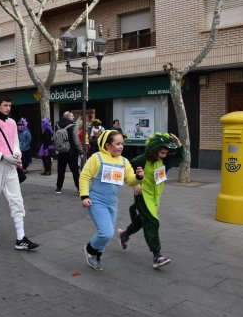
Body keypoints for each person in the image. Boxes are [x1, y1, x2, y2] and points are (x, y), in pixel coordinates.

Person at [0, 94, 39, 250]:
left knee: (17, 200)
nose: (7, 108)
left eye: (9, 106)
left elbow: (15, 143)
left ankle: (21, 237)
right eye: (5, 105)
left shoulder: (13, 123)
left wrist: (16, 154)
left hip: (10, 166)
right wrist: (2, 156)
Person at [79, 130, 144, 271]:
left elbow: (130, 180)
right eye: (118, 144)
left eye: (122, 144)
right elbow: (84, 176)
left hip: (112, 203)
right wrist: (84, 196)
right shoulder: (97, 158)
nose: (121, 146)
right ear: (108, 145)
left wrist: (138, 177)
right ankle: (90, 249)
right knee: (106, 232)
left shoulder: (124, 161)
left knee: (106, 233)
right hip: (96, 201)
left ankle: (97, 256)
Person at [118, 133, 184, 269]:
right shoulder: (141, 160)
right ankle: (157, 255)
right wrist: (135, 184)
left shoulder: (164, 161)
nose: (164, 155)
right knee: (153, 222)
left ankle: (125, 234)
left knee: (142, 221)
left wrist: (179, 145)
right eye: (161, 152)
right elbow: (125, 169)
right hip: (142, 196)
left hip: (155, 198)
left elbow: (179, 157)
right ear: (154, 150)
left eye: (166, 153)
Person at [55, 111, 83, 194]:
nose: (73, 117)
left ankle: (58, 188)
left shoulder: (58, 126)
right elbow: (76, 140)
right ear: (67, 117)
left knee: (61, 170)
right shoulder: (73, 126)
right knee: (75, 171)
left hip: (61, 151)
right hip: (71, 151)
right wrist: (80, 151)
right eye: (71, 116)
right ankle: (79, 189)